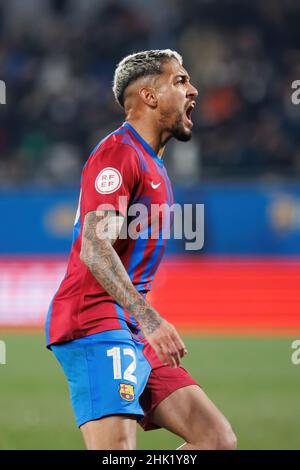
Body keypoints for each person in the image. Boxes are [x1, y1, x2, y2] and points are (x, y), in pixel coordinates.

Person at [45, 49, 237, 450]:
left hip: (127, 328)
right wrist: (150, 320)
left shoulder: (153, 163)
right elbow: (95, 249)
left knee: (215, 439)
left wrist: (141, 324)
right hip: (95, 320)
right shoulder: (119, 154)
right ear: (149, 96)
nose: (194, 91)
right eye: (181, 81)